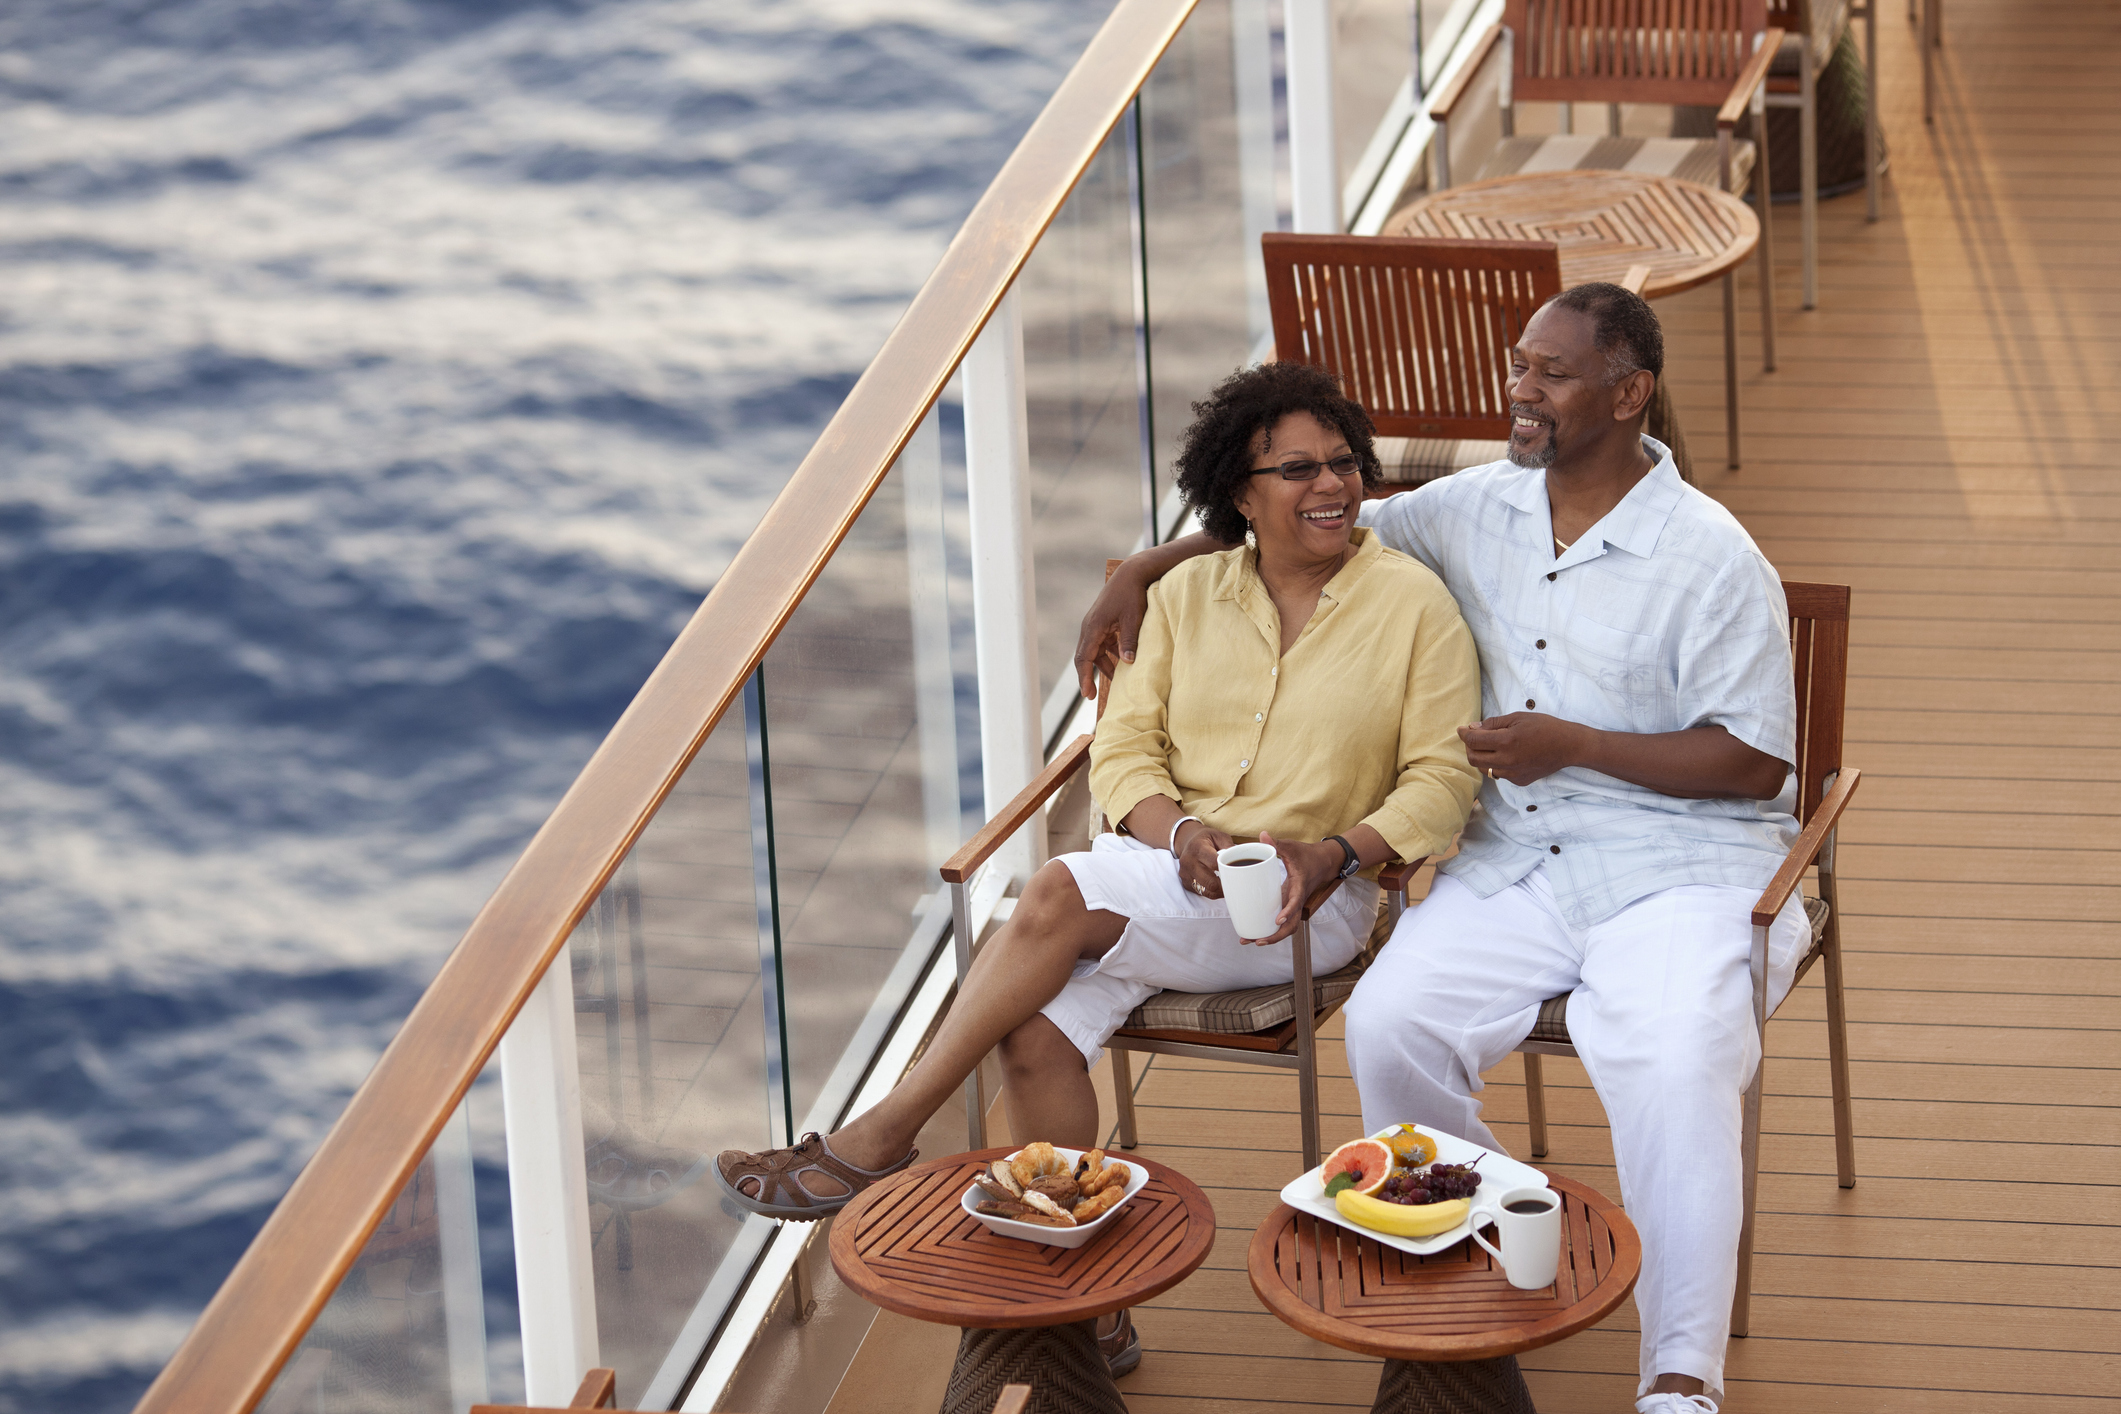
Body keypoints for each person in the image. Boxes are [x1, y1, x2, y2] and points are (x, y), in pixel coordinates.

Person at [1073, 285, 1805, 1414]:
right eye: (1520, 364)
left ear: (1629, 392)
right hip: (1513, 860)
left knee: (1671, 1058)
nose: (1520, 388)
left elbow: (1756, 763)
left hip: (1682, 867)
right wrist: (1145, 564)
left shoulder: (1712, 555)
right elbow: (1321, 518)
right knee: (1392, 1022)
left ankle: (1678, 1378)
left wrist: (1576, 745)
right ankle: (1498, 1250)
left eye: (1551, 373)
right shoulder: (1483, 506)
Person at [718, 361, 1481, 1375]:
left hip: (1305, 902)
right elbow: (1122, 754)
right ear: (1239, 494)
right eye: (1296, 468)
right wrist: (1183, 837)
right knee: (1032, 1036)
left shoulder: (1412, 604)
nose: (1329, 484)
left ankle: (880, 1137)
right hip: (1160, 875)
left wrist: (1333, 852)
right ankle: (1093, 1300)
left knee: (1054, 891)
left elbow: (1443, 778)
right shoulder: (1191, 593)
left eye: (1342, 461)